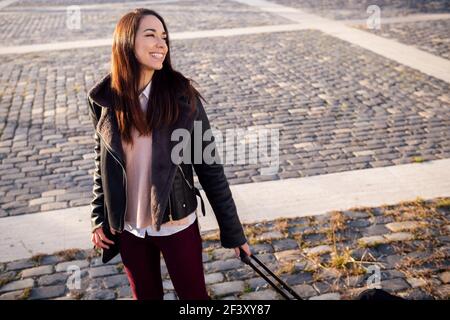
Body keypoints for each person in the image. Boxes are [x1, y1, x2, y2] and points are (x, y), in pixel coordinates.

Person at [87, 8, 251, 300]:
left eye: (164, 36)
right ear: (126, 41)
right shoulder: (105, 99)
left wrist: (234, 232)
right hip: (129, 230)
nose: (161, 43)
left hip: (177, 225)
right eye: (151, 35)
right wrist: (99, 217)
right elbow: (103, 165)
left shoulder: (182, 96)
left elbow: (210, 168)